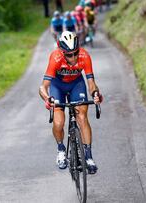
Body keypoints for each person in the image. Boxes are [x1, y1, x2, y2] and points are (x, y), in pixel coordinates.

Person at [39, 31, 103, 174]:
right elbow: (43, 86)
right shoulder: (55, 58)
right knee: (59, 122)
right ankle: (61, 150)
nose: (73, 58)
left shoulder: (84, 56)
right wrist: (46, 98)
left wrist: (95, 93)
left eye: (75, 53)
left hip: (76, 85)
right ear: (62, 52)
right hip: (58, 86)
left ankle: (88, 157)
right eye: (69, 54)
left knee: (82, 116)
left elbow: (91, 83)